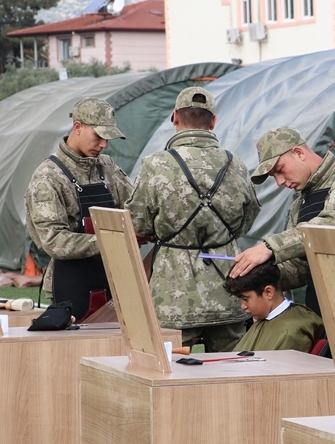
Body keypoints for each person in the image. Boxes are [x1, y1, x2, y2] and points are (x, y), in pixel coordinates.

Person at [127, 87, 260, 352]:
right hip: (228, 288)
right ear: (213, 121)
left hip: (173, 295)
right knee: (230, 370)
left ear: (174, 117)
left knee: (169, 372)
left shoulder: (156, 164)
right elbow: (249, 217)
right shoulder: (237, 165)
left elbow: (137, 223)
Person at [230, 127, 335, 317]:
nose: (279, 181)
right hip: (321, 307)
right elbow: (299, 267)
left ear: (298, 153)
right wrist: (259, 274)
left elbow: (330, 226)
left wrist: (269, 247)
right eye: (274, 176)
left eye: (280, 170)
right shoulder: (300, 204)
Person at [24, 97, 132, 319]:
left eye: (108, 138)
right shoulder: (48, 177)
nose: (104, 145)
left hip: (115, 280)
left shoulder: (106, 167)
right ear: (78, 127)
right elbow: (53, 241)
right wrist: (111, 240)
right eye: (99, 136)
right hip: (72, 287)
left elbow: (133, 205)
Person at [222, 262, 323, 352]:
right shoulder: (264, 318)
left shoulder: (289, 332)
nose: (243, 306)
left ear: (268, 292)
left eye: (245, 299)